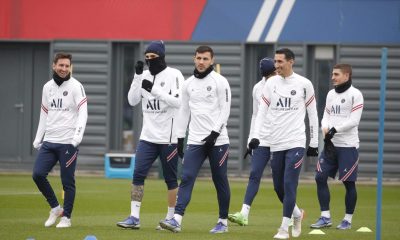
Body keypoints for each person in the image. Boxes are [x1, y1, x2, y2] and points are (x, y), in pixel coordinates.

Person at [159, 45, 231, 233]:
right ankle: (176, 220)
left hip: (218, 141)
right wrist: (180, 137)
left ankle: (223, 222)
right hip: (196, 141)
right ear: (194, 59)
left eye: (205, 59)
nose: (201, 62)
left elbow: (225, 109)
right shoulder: (188, 83)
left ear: (212, 61)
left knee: (219, 179)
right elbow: (184, 111)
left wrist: (215, 133)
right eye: (198, 58)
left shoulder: (220, 81)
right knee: (187, 176)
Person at [251, 48, 319, 239]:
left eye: (280, 61)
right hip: (276, 142)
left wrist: (313, 143)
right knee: (278, 188)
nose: (277, 65)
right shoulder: (270, 83)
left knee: (289, 184)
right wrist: (256, 136)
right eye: (275, 62)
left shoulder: (304, 84)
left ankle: (283, 229)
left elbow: (313, 114)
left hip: (296, 141)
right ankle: (297, 215)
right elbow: (261, 112)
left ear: (291, 62)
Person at [117, 40, 184, 230]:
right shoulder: (144, 74)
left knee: (170, 179)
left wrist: (154, 90)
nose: (149, 61)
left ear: (161, 57)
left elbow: (177, 102)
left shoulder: (174, 74)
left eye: (153, 57)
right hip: (147, 136)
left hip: (168, 138)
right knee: (138, 174)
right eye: (147, 58)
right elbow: (132, 100)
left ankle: (170, 219)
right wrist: (138, 77)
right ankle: (134, 217)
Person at [32, 52, 88, 228]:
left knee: (67, 181)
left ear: (70, 67)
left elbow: (83, 113)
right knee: (38, 175)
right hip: (49, 141)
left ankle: (67, 218)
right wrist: (38, 137)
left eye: (67, 66)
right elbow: (44, 113)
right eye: (61, 65)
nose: (64, 69)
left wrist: (77, 138)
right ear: (54, 66)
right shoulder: (47, 87)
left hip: (68, 143)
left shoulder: (76, 86)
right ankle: (56, 208)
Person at [310, 63, 364, 230]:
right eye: (333, 74)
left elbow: (354, 120)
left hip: (348, 145)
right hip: (331, 145)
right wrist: (324, 127)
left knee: (348, 183)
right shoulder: (330, 94)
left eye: (336, 74)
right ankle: (325, 217)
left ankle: (347, 220)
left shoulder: (356, 94)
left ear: (346, 76)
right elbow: (326, 115)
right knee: (319, 177)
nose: (332, 77)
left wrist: (336, 129)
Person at [228, 57, 276, 226]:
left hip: (280, 139)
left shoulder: (283, 84)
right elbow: (255, 115)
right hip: (261, 139)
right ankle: (244, 214)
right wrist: (251, 139)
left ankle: (294, 214)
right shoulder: (257, 87)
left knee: (280, 182)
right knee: (254, 174)